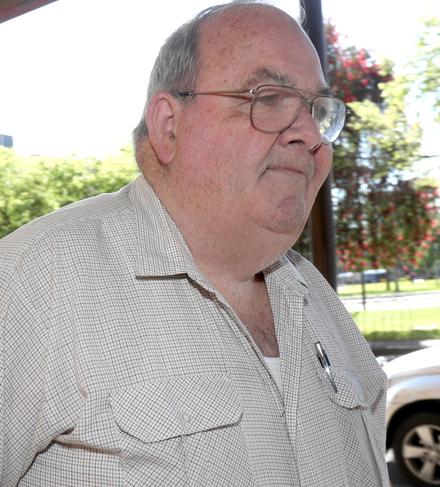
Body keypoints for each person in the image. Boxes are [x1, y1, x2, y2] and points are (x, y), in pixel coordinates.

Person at [0, 3, 389, 485]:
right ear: (169, 125)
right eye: (268, 98)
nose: (310, 135)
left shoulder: (317, 297)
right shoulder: (34, 282)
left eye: (318, 111)